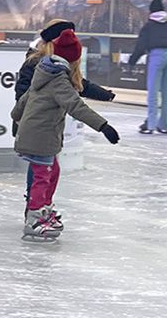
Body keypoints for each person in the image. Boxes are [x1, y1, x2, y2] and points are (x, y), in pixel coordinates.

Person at [11, 29, 120, 240]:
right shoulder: (58, 79)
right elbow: (75, 106)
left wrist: (16, 117)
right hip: (40, 136)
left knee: (52, 172)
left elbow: (25, 98)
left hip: (39, 134)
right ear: (73, 58)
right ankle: (34, 217)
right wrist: (103, 126)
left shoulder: (46, 70)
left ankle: (44, 210)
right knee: (43, 176)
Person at [129, 0, 167, 134]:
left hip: (156, 56)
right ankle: (164, 125)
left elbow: (141, 45)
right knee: (166, 93)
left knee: (153, 92)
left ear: (152, 12)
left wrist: (132, 61)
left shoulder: (149, 26)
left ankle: (151, 125)